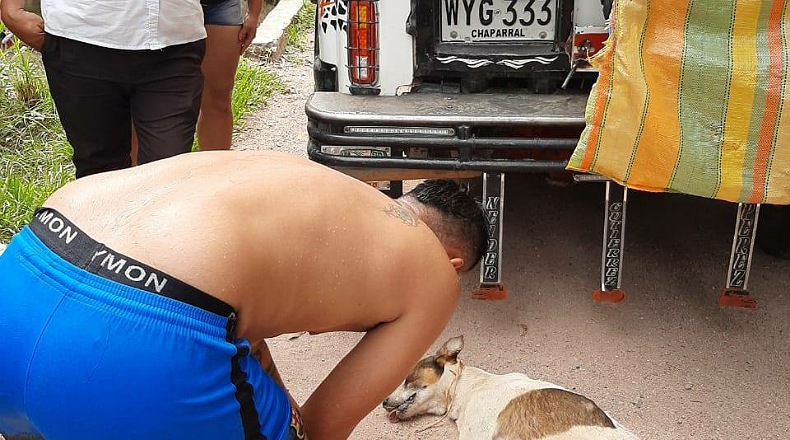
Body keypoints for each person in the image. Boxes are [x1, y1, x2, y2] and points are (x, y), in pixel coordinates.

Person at [0, 151, 487, 440]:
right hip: (136, 340)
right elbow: (321, 429)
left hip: (26, 272)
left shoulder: (323, 192)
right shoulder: (434, 273)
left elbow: (238, 316)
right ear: (455, 264)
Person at [0, 0, 206, 178]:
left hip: (173, 38)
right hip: (81, 32)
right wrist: (11, 9)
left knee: (167, 172)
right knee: (98, 172)